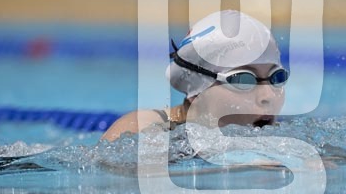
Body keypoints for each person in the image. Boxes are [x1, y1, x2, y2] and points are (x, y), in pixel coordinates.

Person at [101, 10, 289, 142]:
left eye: (276, 77)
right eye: (243, 80)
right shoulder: (142, 129)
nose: (268, 96)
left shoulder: (279, 135)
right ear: (197, 91)